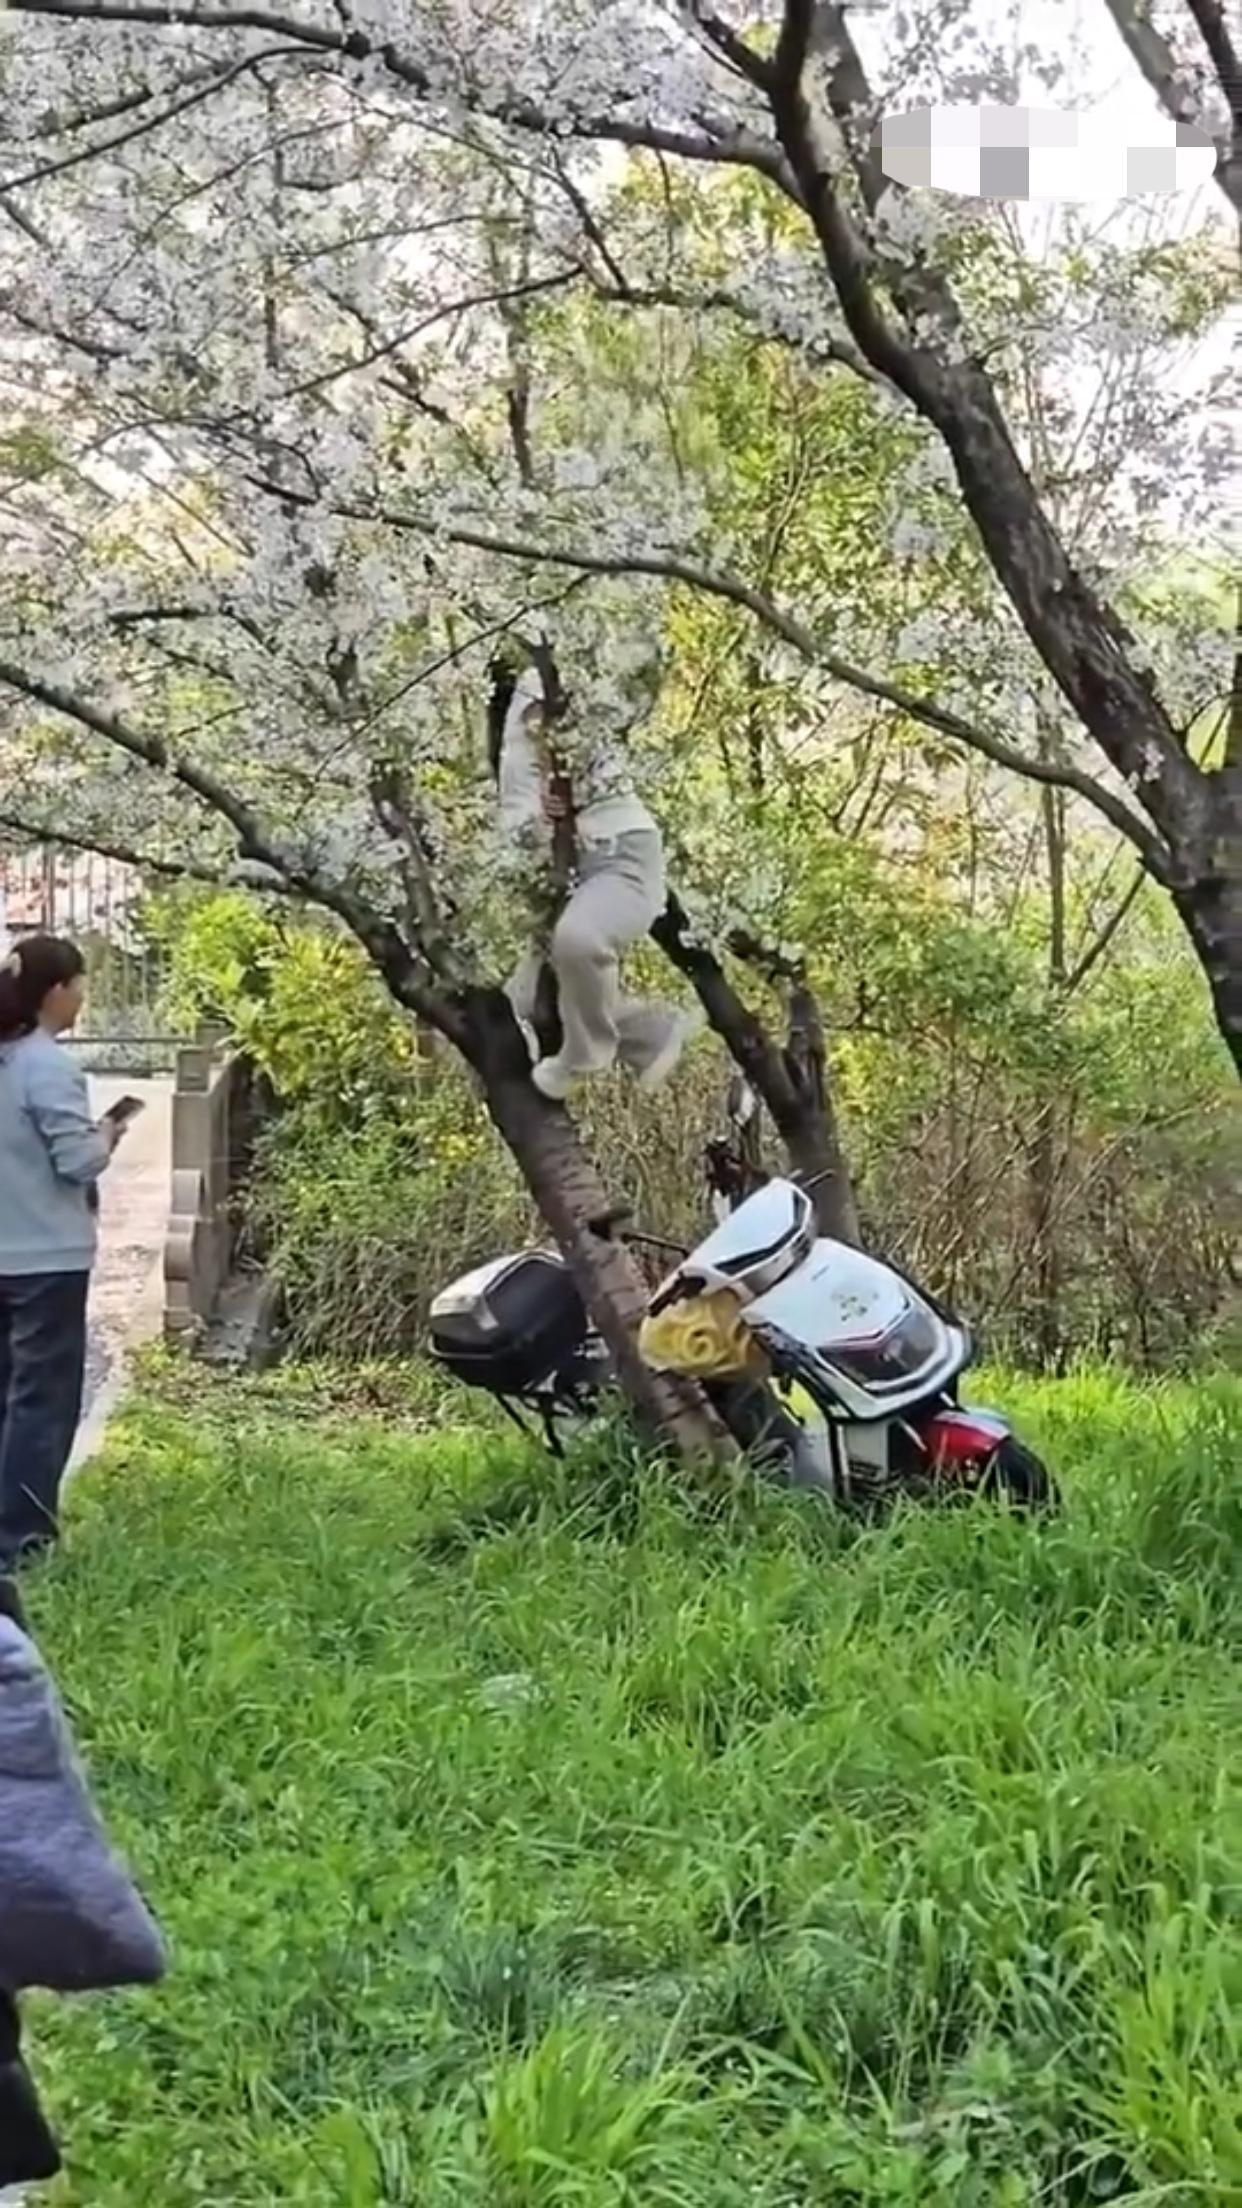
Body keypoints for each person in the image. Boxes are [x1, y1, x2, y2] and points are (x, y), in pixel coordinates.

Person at [490, 657, 701, 1101]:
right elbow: (520, 810)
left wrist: (562, 797)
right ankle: (652, 1033)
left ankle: (584, 1056)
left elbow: (591, 751)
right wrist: (538, 822)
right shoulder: (510, 743)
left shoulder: (563, 691)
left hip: (620, 855)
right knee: (513, 1005)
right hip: (562, 872)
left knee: (578, 940)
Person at [0, 936, 122, 1570]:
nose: (80, 998)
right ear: (53, 993)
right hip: (45, 1259)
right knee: (41, 1402)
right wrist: (106, 1134)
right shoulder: (47, 1067)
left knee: (5, 1397)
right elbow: (76, 1162)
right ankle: (20, 1541)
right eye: (77, 986)